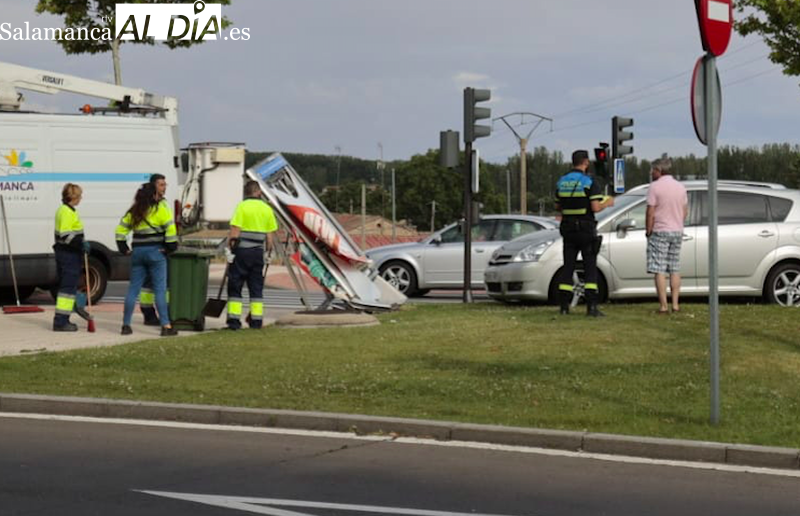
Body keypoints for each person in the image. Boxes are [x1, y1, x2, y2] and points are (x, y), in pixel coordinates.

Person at [554, 150, 614, 317]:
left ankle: (564, 307)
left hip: (568, 229)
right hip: (586, 229)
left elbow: (558, 207)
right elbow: (595, 207)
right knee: (589, 268)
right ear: (586, 162)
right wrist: (607, 203)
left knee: (568, 267)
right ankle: (592, 307)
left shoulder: (562, 181)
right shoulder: (589, 181)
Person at [115, 183, 179, 336]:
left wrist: (124, 248)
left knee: (133, 290)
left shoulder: (134, 211)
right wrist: (170, 248)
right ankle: (166, 326)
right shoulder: (160, 209)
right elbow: (170, 230)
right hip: (156, 252)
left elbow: (120, 231)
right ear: (153, 195)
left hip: (137, 252)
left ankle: (126, 325)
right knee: (160, 291)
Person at [226, 180, 278, 330]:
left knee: (235, 286)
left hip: (242, 252)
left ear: (246, 193)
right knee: (256, 287)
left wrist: (230, 250)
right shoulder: (267, 209)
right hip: (257, 253)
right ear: (259, 192)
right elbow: (269, 236)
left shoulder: (242, 207)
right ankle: (256, 322)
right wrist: (269, 252)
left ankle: (234, 322)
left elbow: (235, 231)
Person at [645, 157, 688, 314]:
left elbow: (650, 211)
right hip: (677, 230)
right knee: (674, 268)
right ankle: (676, 304)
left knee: (660, 269)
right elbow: (685, 211)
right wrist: (678, 223)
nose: (652, 172)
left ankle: (663, 306)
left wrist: (648, 230)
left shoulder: (654, 187)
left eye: (653, 170)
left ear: (660, 170)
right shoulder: (680, 187)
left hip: (660, 231)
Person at [53, 183, 91, 331]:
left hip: (69, 253)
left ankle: (63, 319)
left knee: (68, 287)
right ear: (73, 196)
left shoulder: (68, 210)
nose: (81, 198)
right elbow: (66, 235)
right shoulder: (66, 212)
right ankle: (61, 321)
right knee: (67, 289)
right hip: (67, 254)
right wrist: (81, 243)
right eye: (79, 195)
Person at [139, 173, 169, 326]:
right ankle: (150, 314)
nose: (164, 187)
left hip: (158, 247)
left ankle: (161, 314)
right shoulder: (150, 204)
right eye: (161, 184)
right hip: (154, 248)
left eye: (165, 184)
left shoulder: (163, 203)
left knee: (154, 284)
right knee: (152, 284)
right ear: (153, 187)